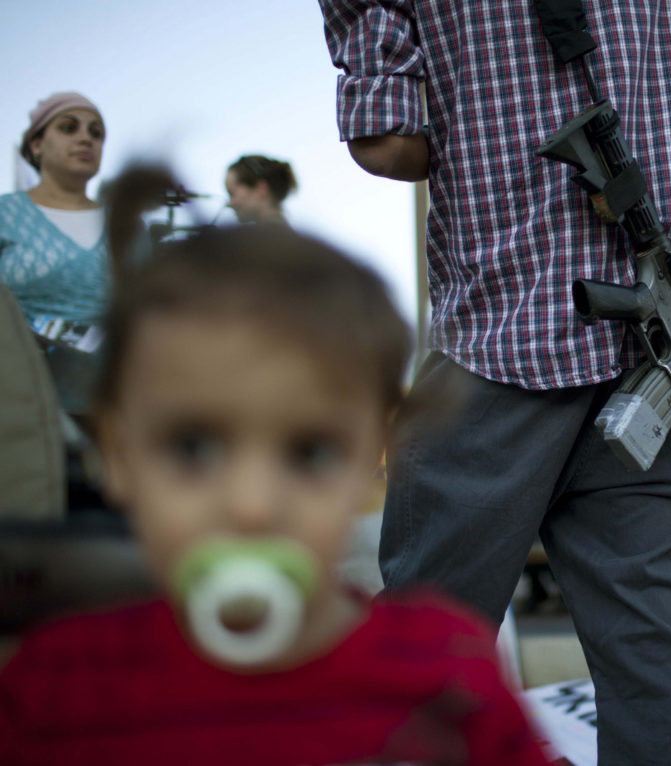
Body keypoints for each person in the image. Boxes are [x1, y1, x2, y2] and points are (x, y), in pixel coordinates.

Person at [320, 3, 671, 763]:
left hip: (513, 320)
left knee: (427, 642)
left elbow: (389, 142)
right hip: (667, 332)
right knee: (655, 649)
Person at [0, 168, 551, 766]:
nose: (252, 505)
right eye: (193, 448)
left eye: (311, 452)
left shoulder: (445, 673)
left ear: (372, 463)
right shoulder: (56, 687)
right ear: (118, 454)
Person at [0, 92, 108, 352]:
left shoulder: (126, 226)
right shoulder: (6, 214)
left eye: (96, 134)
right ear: (36, 145)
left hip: (108, 387)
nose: (85, 138)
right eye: (68, 128)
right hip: (17, 385)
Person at [224, 154, 296, 224]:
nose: (229, 204)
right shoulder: (286, 234)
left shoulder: (261, 235)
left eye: (232, 194)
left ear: (261, 188)